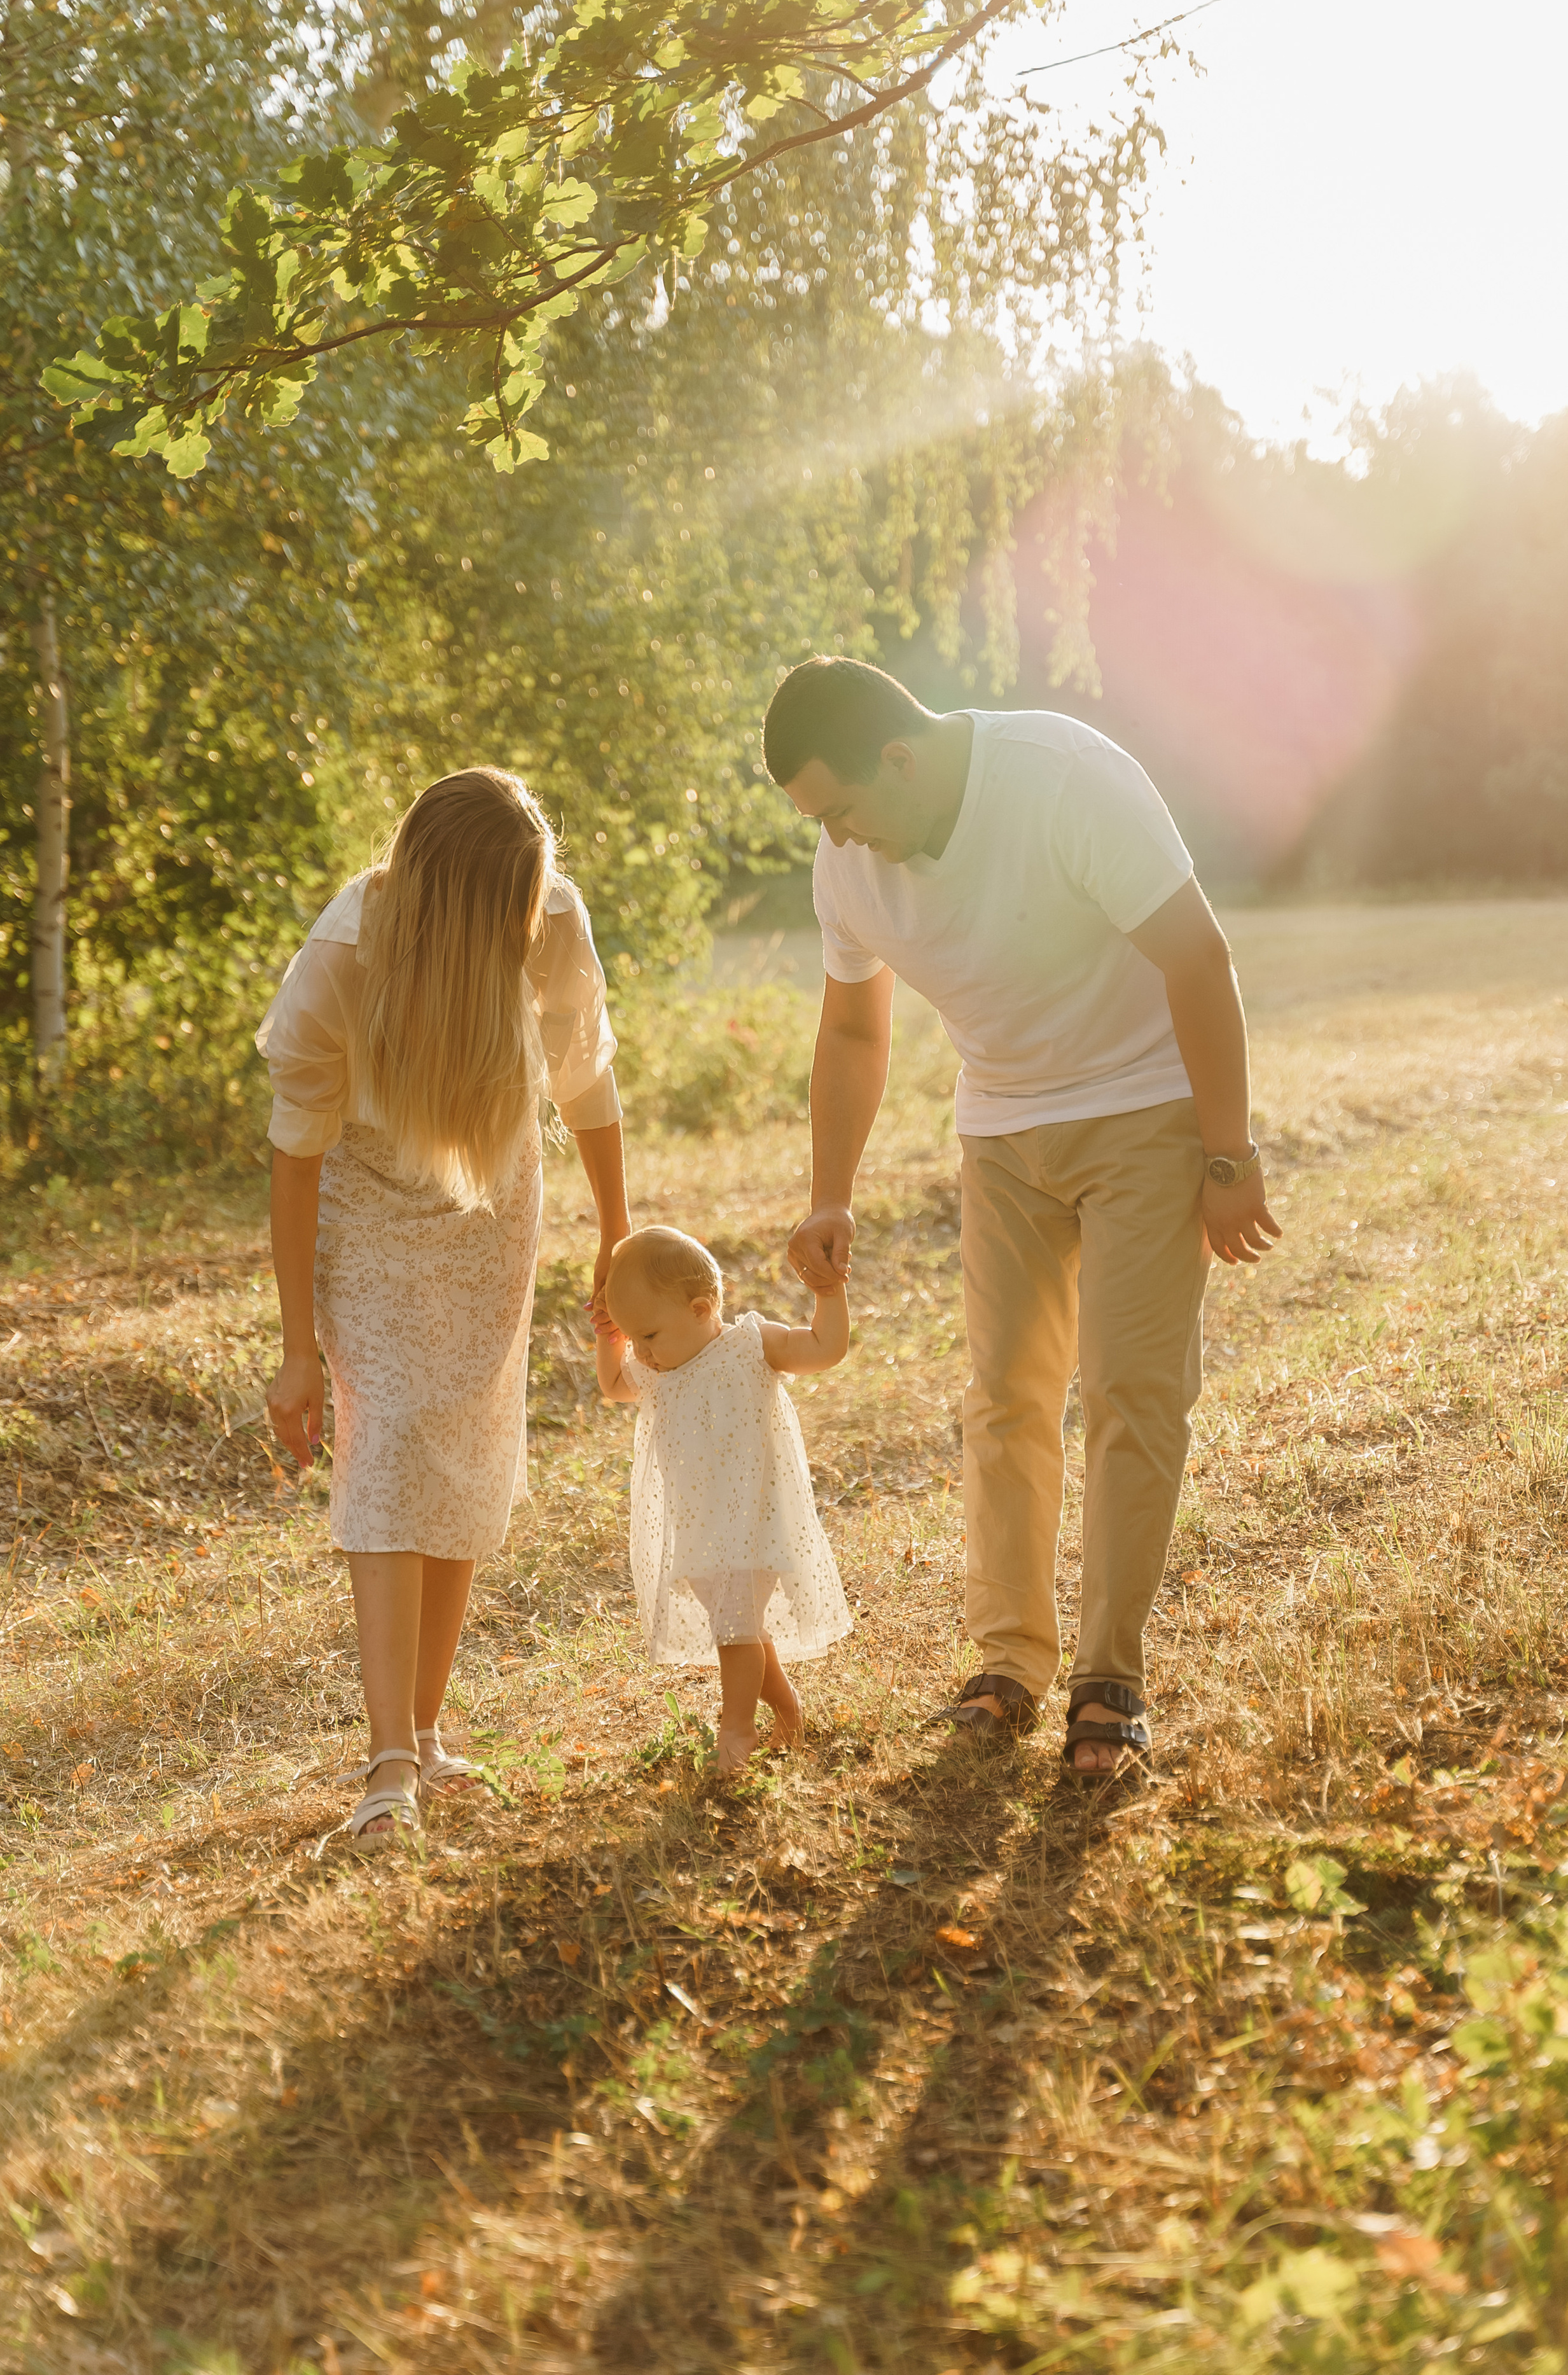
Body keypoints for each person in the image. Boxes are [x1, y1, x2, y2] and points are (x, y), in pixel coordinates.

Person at [763, 658, 1280, 1780]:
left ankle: (1110, 1678)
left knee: (1133, 1392)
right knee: (1005, 1398)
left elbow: (1199, 955)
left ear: (899, 759)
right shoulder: (849, 864)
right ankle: (1010, 1662)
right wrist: (831, 1191)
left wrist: (1228, 1154)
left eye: (840, 810)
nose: (837, 839)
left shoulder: (1063, 776)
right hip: (1002, 1131)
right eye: (818, 822)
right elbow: (852, 1031)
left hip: (1144, 1108)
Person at [258, 767, 631, 1846]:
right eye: (513, 904)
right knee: (388, 1442)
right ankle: (386, 1765)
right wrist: (296, 1350)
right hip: (366, 1196)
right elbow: (295, 1160)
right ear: (457, 903)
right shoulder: (342, 958)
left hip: (492, 1191)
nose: (532, 918)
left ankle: (421, 1736)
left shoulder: (551, 915)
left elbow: (586, 1082)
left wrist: (615, 1237)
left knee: (465, 1437)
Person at [594, 1225, 853, 1773]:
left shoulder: (750, 1346)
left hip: (755, 1520)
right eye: (633, 1339)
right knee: (741, 1627)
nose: (641, 1352)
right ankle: (788, 1711)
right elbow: (615, 1385)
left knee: (735, 1631)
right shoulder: (660, 1371)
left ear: (700, 1309)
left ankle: (736, 1729)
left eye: (648, 1335)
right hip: (701, 1530)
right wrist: (608, 1339)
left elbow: (824, 1348)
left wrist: (829, 1293)